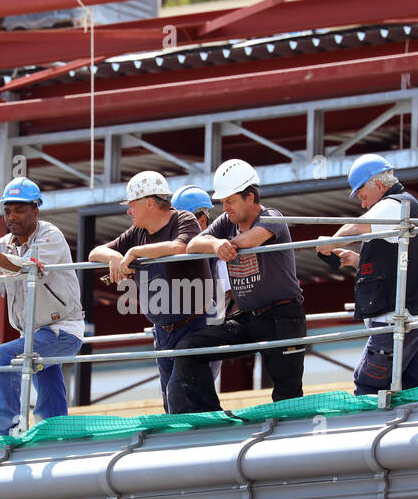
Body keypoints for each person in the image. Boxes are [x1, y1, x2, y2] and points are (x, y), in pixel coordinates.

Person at [168, 159, 305, 413]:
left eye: (230, 201)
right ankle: (212, 418)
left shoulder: (272, 218)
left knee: (288, 393)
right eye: (223, 202)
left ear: (250, 197)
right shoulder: (226, 221)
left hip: (283, 318)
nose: (225, 207)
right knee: (189, 349)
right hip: (247, 317)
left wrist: (224, 243)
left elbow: (253, 239)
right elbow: (193, 244)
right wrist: (215, 245)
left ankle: (291, 438)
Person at [0, 177, 84, 435]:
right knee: (46, 375)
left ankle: (5, 431)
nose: (12, 216)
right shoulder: (3, 245)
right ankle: (57, 431)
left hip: (64, 330)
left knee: (4, 356)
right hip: (34, 335)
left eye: (19, 210)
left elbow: (25, 267)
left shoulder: (51, 236)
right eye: (7, 211)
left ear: (36, 210)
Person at [316, 155, 418, 393]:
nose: (364, 205)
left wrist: (327, 243)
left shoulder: (393, 205)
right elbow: (401, 259)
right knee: (412, 384)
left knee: (368, 382)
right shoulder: (404, 207)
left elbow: (357, 227)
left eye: (363, 197)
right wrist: (358, 261)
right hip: (414, 311)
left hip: (401, 314)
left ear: (378, 186)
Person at [89, 172, 213, 411]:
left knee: (179, 395)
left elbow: (182, 246)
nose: (128, 211)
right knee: (172, 400)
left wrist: (136, 252)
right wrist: (115, 257)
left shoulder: (184, 219)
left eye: (132, 205)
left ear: (149, 203)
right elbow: (95, 253)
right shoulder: (138, 232)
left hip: (194, 327)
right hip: (163, 333)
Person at [172, 184, 229, 382]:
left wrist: (216, 326)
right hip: (183, 329)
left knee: (196, 388)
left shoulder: (218, 251)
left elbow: (225, 294)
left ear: (202, 221)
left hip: (207, 326)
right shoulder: (178, 251)